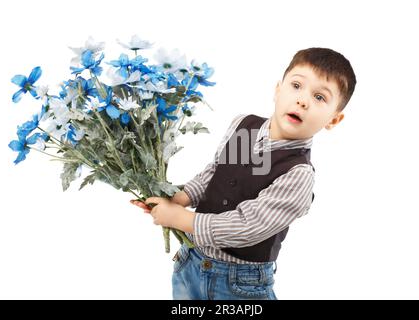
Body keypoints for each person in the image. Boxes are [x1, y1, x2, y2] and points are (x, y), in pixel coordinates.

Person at [131, 47, 357, 300]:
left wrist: (181, 219)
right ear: (277, 89)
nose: (302, 100)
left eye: (319, 97)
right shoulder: (243, 126)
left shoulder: (298, 174)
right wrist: (180, 198)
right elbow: (215, 173)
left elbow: (246, 226)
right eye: (296, 85)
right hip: (191, 262)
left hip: (240, 284)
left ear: (333, 120)